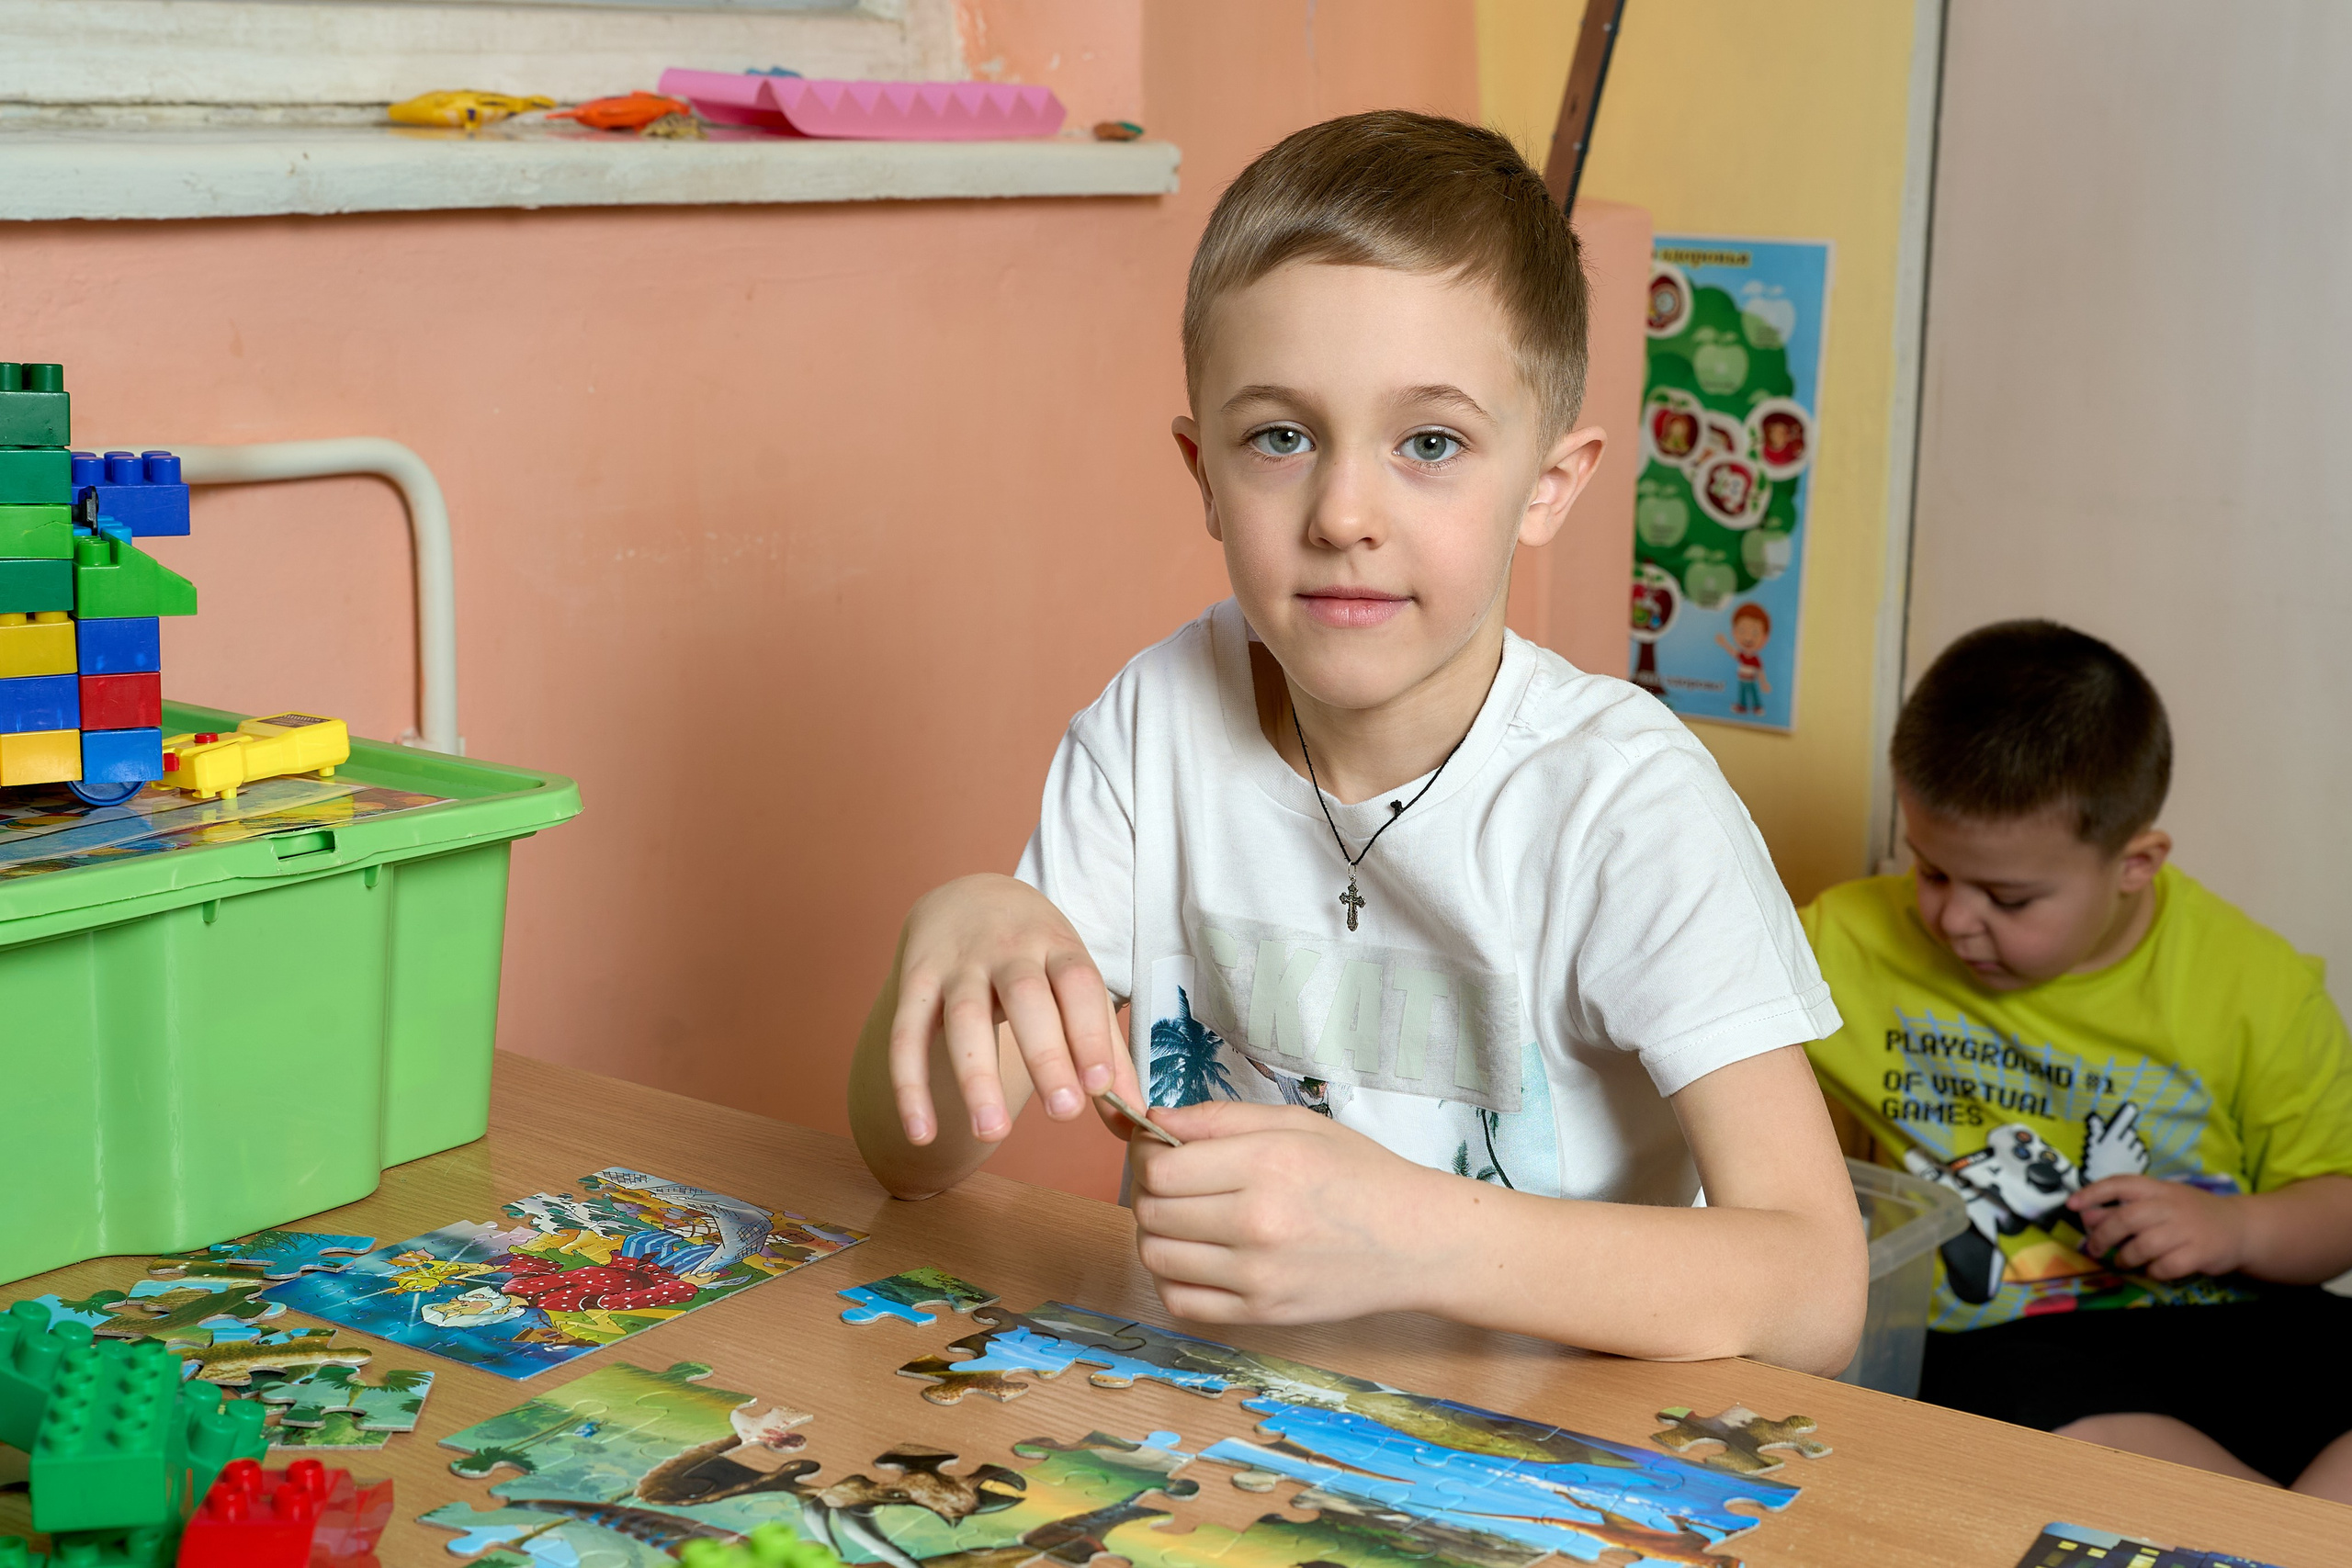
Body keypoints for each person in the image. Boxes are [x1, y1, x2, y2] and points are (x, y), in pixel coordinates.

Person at [847, 111, 1866, 1370]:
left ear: (1548, 484)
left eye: (1429, 443)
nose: (1342, 514)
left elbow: (1816, 1293)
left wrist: (1414, 1236)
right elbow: (913, 1162)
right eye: (1280, 437)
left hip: (1539, 1451)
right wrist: (951, 938)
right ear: (1205, 473)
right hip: (1198, 1431)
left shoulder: (1626, 804)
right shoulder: (1153, 725)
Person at [1802, 620, 2352, 1500]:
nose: (1954, 919)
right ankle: (2279, 1533)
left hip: (2235, 1316)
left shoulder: (2256, 988)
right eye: (1931, 871)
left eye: (2008, 896)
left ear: (2135, 863)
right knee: (2007, 1414)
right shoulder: (1847, 942)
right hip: (2005, 1340)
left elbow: (2339, 1205)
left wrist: (2239, 1228)